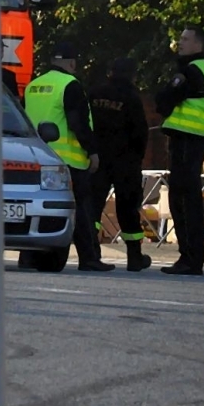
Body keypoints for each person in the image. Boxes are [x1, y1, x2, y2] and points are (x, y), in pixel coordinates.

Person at [25, 42, 110, 272]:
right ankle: (89, 258)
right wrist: (92, 151)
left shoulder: (33, 85)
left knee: (38, 206)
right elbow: (78, 123)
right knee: (81, 209)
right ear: (72, 63)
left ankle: (28, 257)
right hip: (68, 160)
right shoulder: (70, 85)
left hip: (37, 159)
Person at [155, 27, 204, 275]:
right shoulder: (197, 69)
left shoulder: (191, 70)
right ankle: (190, 258)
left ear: (197, 45)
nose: (179, 42)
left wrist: (165, 99)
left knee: (182, 198)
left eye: (185, 39)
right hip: (190, 139)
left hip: (187, 140)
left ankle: (190, 258)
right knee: (185, 198)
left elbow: (165, 99)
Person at [87, 58, 152, 271]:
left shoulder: (95, 94)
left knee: (93, 207)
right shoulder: (131, 97)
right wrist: (137, 158)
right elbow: (140, 131)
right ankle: (134, 257)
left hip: (98, 159)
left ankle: (91, 253)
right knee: (128, 209)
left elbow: (86, 124)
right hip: (126, 161)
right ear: (132, 75)